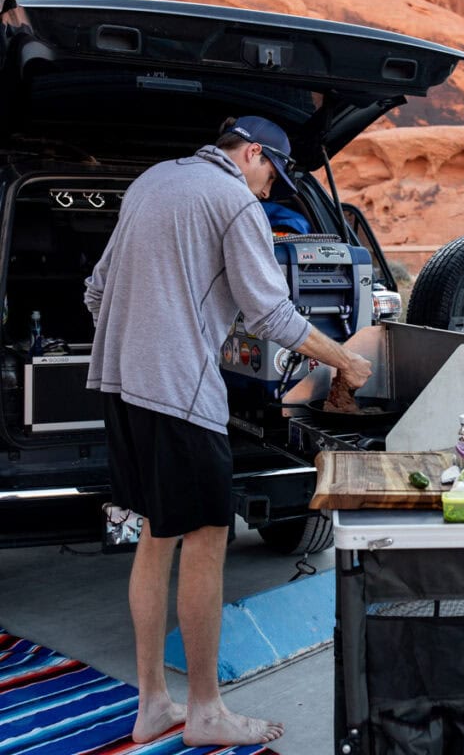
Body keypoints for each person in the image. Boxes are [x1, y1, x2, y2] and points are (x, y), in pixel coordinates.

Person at [84, 114, 372, 748]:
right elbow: (268, 310)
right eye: (272, 171)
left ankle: (153, 704)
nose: (270, 188)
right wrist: (346, 360)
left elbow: (97, 291)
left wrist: (145, 338)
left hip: (121, 386)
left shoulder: (153, 182)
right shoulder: (234, 200)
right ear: (251, 153)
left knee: (157, 536)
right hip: (179, 397)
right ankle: (207, 710)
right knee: (209, 536)